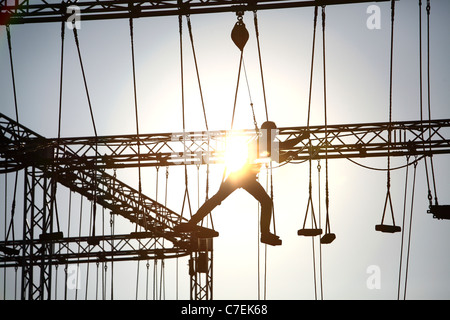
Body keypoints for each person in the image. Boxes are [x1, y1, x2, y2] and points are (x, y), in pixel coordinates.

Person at [175, 121, 309, 246]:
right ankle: (265, 234)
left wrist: (292, 153)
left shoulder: (262, 144)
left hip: (239, 176)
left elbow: (278, 157)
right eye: (273, 133)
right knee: (266, 202)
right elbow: (284, 146)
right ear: (268, 133)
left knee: (218, 198)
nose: (274, 136)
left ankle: (191, 223)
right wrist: (302, 138)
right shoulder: (262, 142)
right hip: (245, 177)